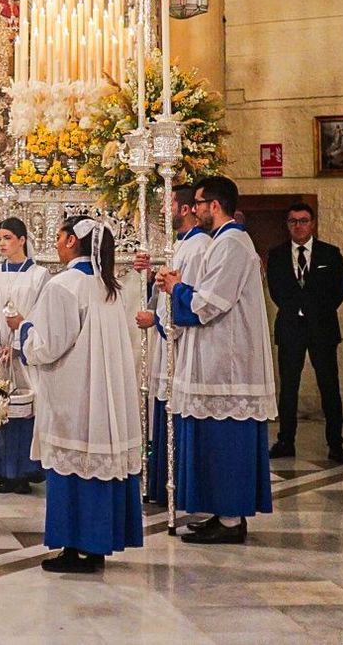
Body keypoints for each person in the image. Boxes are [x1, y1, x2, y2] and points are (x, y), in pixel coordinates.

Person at [7, 215, 143, 572]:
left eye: (58, 236)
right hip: (104, 395)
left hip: (74, 393)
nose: (55, 243)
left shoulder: (64, 285)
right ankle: (96, 545)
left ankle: (73, 546)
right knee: (96, 463)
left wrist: (24, 330)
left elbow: (48, 346)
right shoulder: (108, 285)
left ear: (71, 241)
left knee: (71, 468)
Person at [156, 175, 275, 544]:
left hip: (229, 363)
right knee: (212, 442)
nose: (197, 208)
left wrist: (177, 288)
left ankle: (230, 520)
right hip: (215, 357)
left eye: (201, 203)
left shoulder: (232, 244)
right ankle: (221, 514)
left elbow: (209, 303)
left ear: (215, 206)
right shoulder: (223, 242)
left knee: (227, 444)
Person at [0, 216, 50, 493]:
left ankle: (23, 471)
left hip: (24, 354)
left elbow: (42, 314)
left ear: (23, 240)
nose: (2, 244)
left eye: (7, 238)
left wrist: (19, 343)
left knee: (24, 411)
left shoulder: (39, 276)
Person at [136, 186, 205, 504]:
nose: (166, 209)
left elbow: (189, 294)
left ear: (189, 208)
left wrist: (160, 322)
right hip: (167, 338)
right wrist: (151, 276)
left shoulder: (199, 247)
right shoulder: (179, 245)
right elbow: (166, 288)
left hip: (179, 342)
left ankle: (172, 486)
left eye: (172, 203)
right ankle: (161, 483)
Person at [265, 203, 343, 463]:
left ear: (312, 224)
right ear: (287, 224)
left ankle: (336, 443)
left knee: (329, 386)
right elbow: (276, 289)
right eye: (293, 221)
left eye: (303, 221)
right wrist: (297, 309)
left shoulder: (329, 253)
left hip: (322, 327)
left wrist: (312, 310)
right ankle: (285, 440)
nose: (298, 226)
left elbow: (339, 290)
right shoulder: (277, 254)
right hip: (291, 327)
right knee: (288, 387)